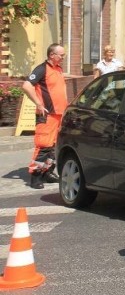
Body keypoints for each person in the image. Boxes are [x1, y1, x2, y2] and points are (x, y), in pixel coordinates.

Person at [21, 44, 68, 189]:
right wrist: (38, 103)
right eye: (61, 55)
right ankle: (35, 176)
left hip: (59, 114)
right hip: (47, 115)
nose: (63, 58)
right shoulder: (42, 69)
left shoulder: (58, 69)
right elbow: (26, 85)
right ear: (52, 55)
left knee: (54, 146)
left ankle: (46, 172)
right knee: (44, 146)